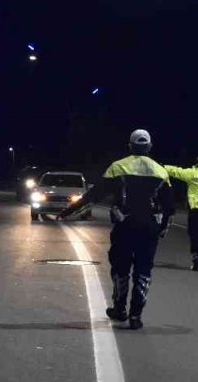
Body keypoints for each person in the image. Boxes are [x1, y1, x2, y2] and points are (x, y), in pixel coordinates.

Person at [60, 129, 174, 330]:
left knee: (121, 268)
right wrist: (163, 228)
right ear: (149, 147)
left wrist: (68, 211)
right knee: (143, 270)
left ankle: (119, 308)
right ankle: (136, 315)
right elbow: (169, 207)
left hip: (125, 224)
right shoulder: (160, 171)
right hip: (149, 228)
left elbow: (93, 195)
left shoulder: (118, 167)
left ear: (130, 146)